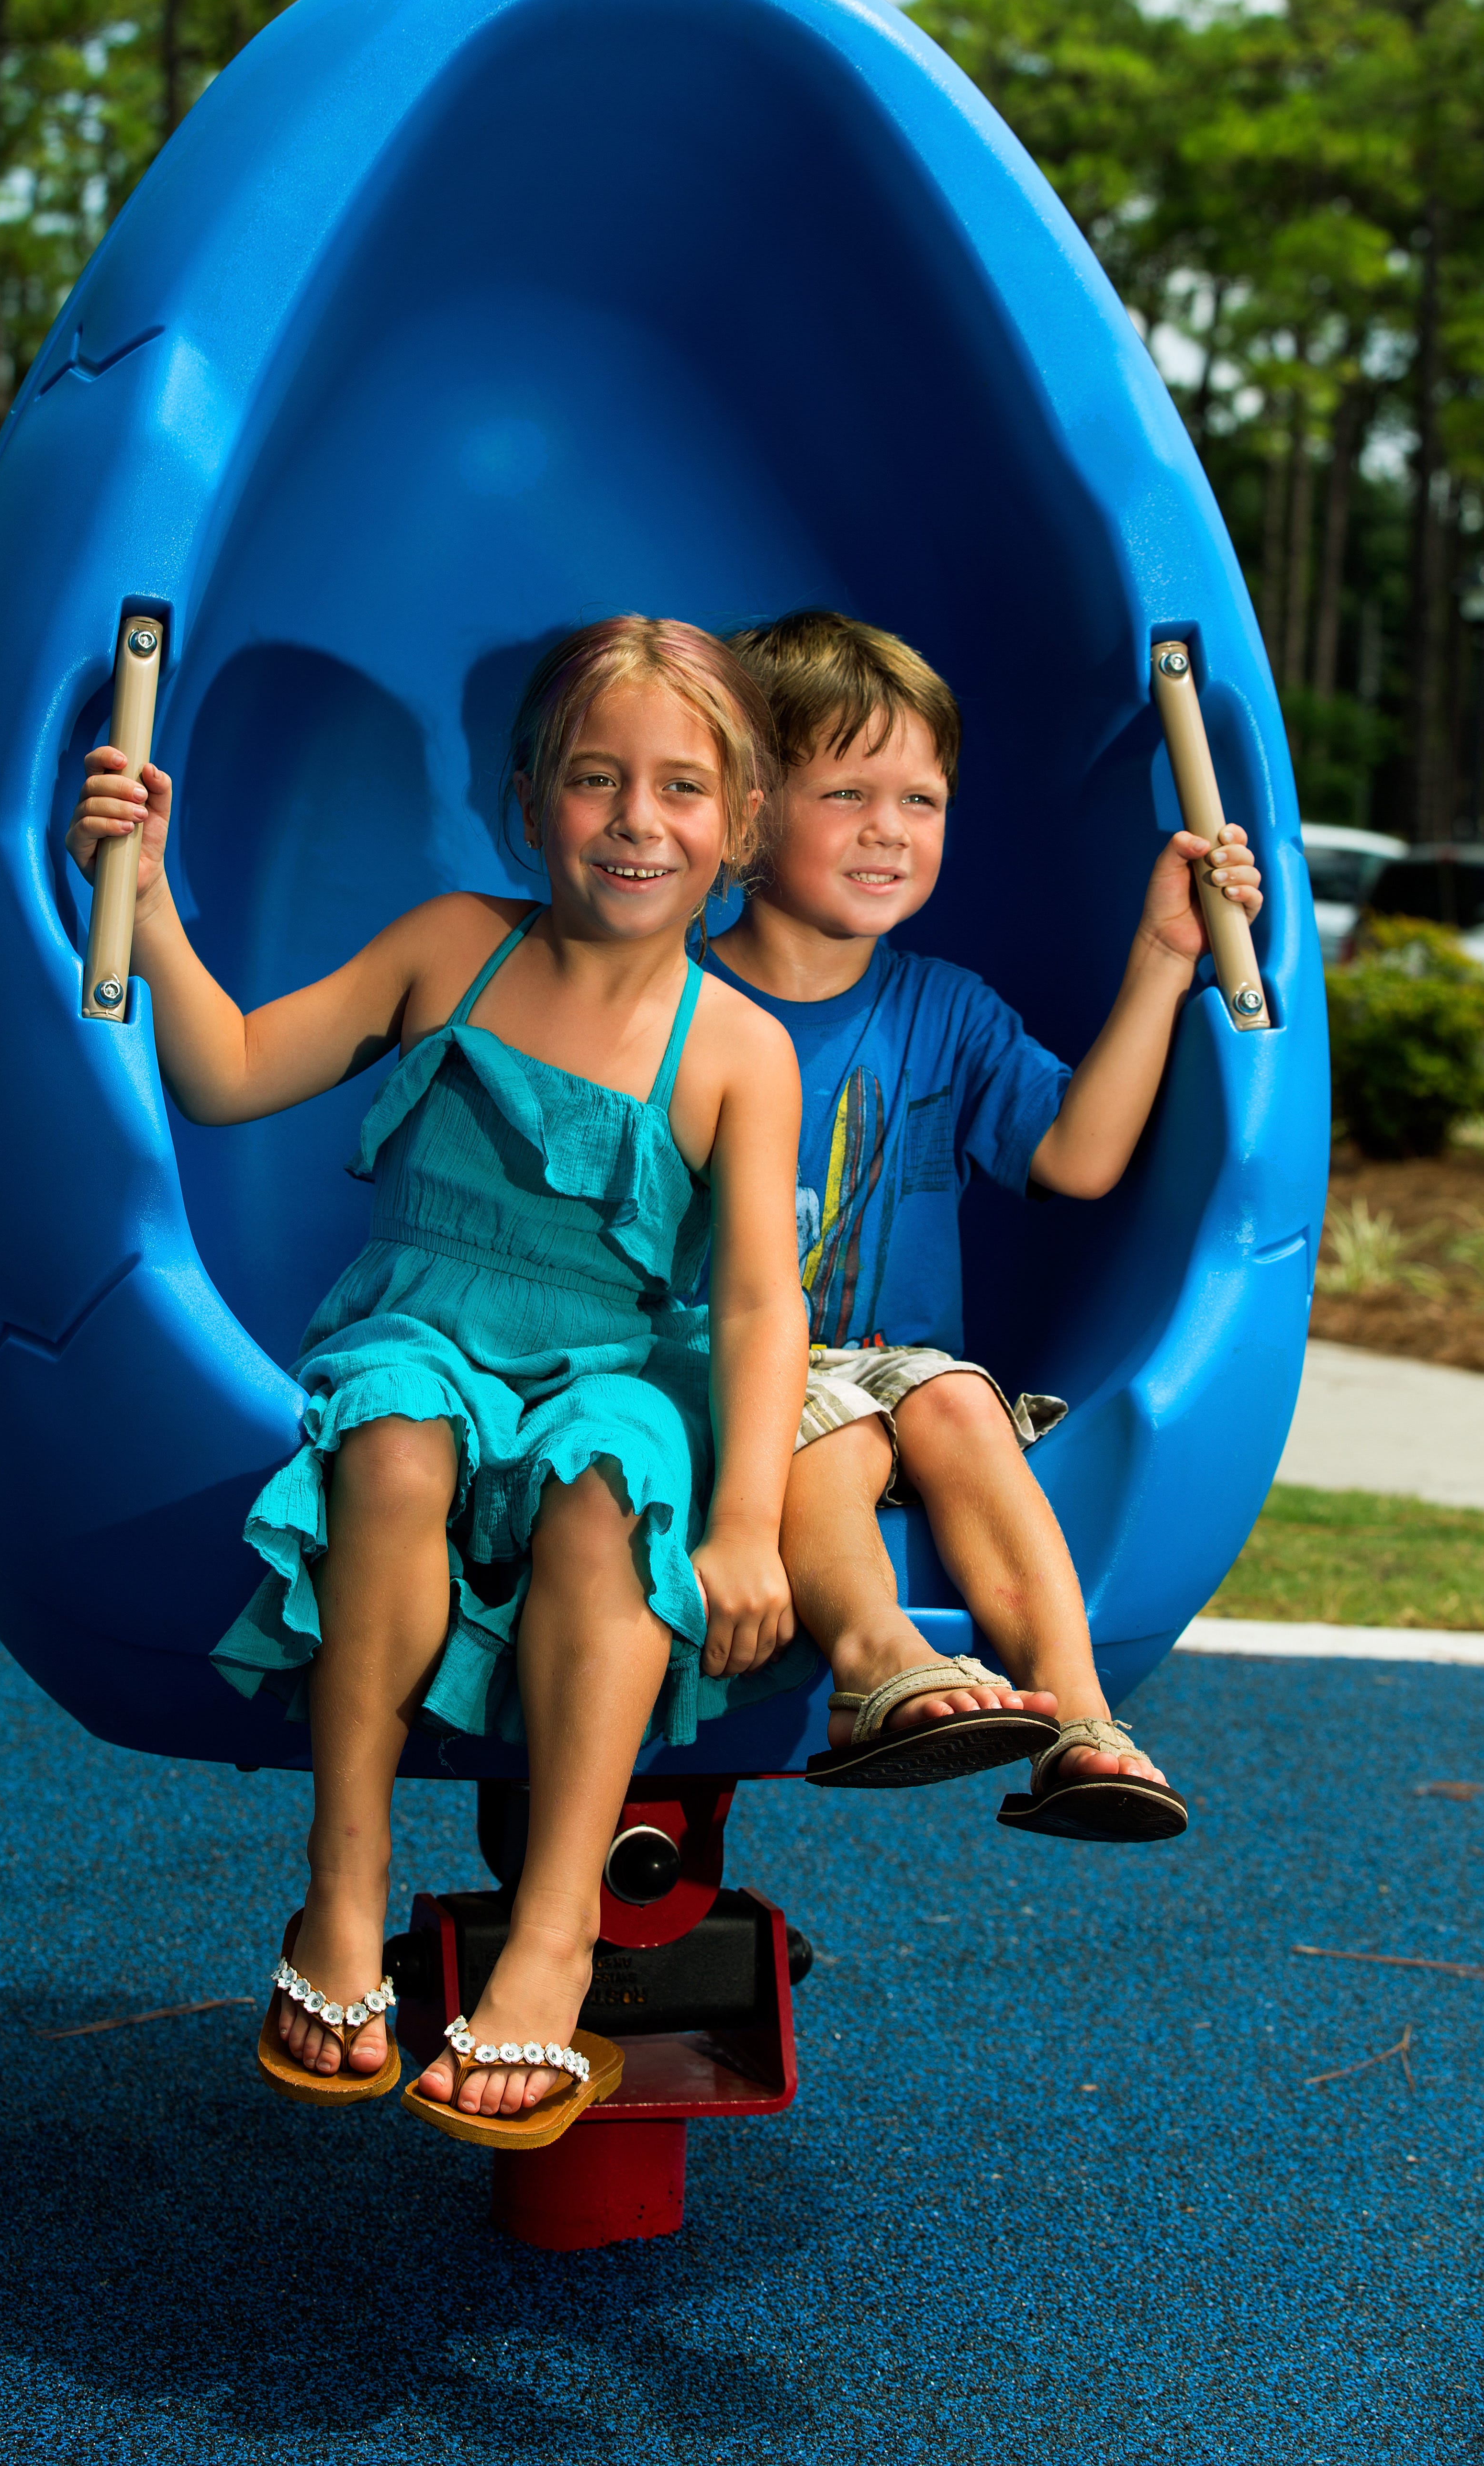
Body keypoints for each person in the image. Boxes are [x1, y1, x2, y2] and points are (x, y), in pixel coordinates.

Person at [67, 616, 807, 2138]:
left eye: (680, 788)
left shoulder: (736, 1048)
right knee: (394, 1434)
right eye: (597, 779)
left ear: (739, 826)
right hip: (428, 1334)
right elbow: (228, 1073)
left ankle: (554, 1941)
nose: (636, 820)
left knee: (613, 1487)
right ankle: (342, 1895)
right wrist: (131, 893)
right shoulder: (454, 945)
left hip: (610, 1363)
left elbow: (752, 1305)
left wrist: (746, 1520)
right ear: (528, 799)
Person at [707, 611, 1264, 1842]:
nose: (890, 832)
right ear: (744, 811)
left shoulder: (944, 1009)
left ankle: (1079, 1718)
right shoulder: (673, 1002)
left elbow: (1078, 1156)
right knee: (839, 1430)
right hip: (723, 1372)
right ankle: (871, 1665)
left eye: (922, 800)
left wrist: (1165, 960)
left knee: (954, 1396)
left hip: (893, 1376)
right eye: (848, 791)